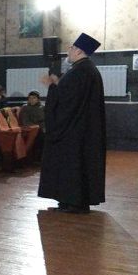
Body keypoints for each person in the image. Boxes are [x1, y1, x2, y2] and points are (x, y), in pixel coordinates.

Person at [38, 33, 106, 214]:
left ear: (79, 51)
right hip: (81, 129)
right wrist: (57, 85)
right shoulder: (86, 70)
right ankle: (70, 201)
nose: (68, 50)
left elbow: (67, 101)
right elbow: (71, 95)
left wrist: (52, 86)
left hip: (73, 131)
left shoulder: (80, 71)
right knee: (76, 165)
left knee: (72, 165)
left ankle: (74, 202)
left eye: (71, 47)